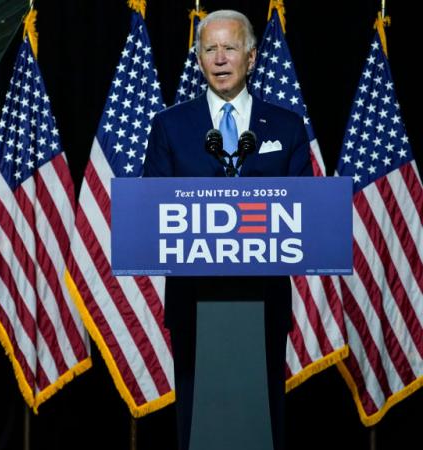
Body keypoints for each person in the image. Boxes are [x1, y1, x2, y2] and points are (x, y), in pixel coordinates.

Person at [143, 10, 312, 450]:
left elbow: (307, 211)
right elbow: (150, 212)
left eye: (230, 48)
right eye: (210, 49)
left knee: (263, 418)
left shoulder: (286, 126)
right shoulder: (170, 126)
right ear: (199, 59)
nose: (219, 59)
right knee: (197, 419)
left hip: (264, 301)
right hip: (193, 302)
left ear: (251, 58)